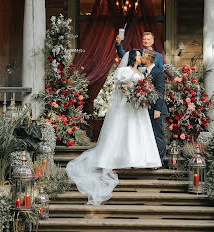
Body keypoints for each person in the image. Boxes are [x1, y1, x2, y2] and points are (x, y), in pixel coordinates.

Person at [66, 50, 162, 206]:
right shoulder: (124, 71)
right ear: (133, 57)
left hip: (138, 108)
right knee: (125, 132)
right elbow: (120, 89)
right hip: (127, 107)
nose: (139, 56)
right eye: (138, 54)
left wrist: (142, 94)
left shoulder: (141, 71)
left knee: (139, 132)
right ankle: (120, 158)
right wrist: (132, 92)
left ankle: (139, 159)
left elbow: (143, 87)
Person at [141, 50, 168, 165]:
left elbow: (161, 92)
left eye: (143, 57)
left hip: (157, 110)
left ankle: (159, 161)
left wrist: (157, 109)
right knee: (149, 136)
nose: (141, 58)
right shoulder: (144, 72)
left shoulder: (158, 72)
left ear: (147, 60)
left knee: (158, 136)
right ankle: (150, 160)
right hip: (147, 109)